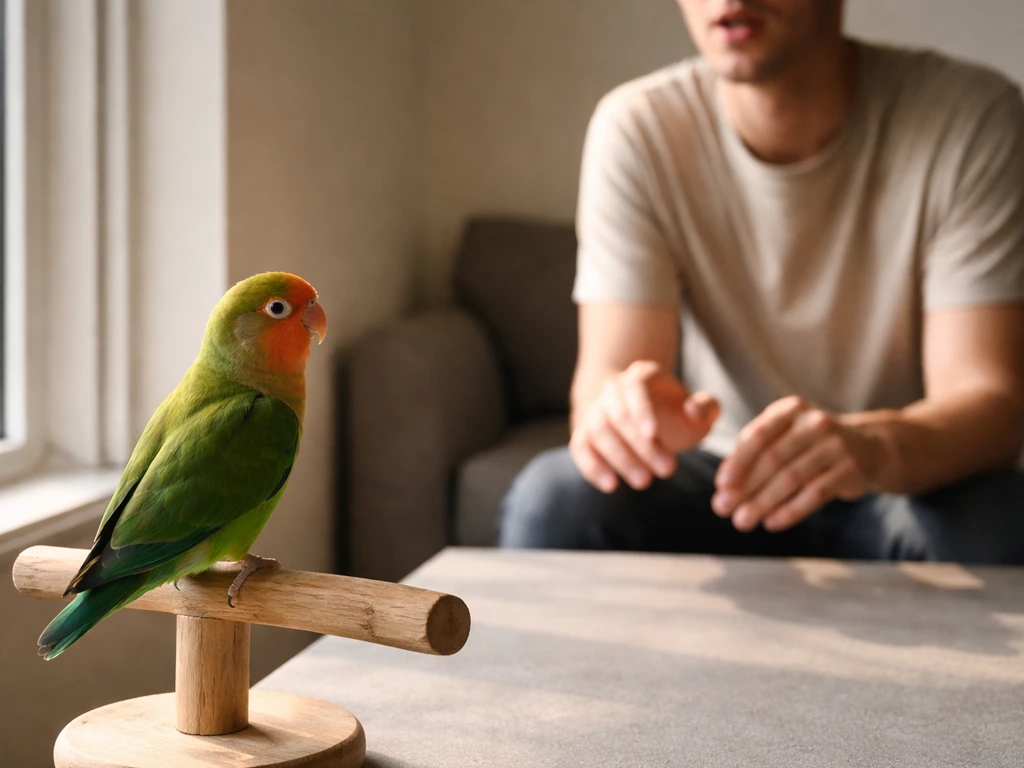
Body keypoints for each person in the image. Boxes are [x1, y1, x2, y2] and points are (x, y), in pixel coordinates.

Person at [498, 0, 1024, 563]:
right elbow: (605, 377)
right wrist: (630, 416)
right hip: (722, 475)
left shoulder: (969, 117)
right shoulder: (639, 128)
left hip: (899, 478)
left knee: (1000, 521)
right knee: (553, 500)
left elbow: (990, 401)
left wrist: (868, 447)